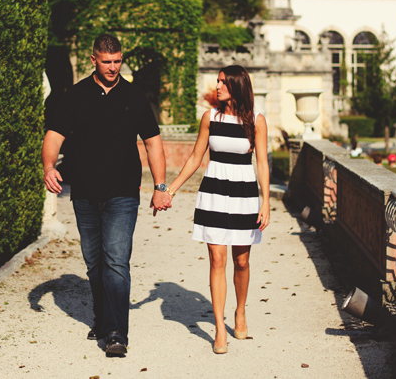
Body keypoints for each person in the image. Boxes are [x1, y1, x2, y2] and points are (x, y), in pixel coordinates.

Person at [42, 33, 171, 357]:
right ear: (94, 60)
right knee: (94, 263)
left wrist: (160, 186)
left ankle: (115, 332)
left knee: (116, 261)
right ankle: (102, 319)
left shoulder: (134, 97)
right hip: (84, 193)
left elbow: (153, 141)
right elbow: (54, 135)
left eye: (117, 61)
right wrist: (48, 167)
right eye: (107, 62)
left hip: (122, 194)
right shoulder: (75, 96)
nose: (113, 67)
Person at [167, 65, 270, 354]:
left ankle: (239, 312)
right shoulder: (209, 118)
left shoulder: (256, 121)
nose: (218, 86)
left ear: (237, 86)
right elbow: (194, 158)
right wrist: (170, 190)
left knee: (241, 262)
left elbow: (262, 163)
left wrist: (267, 202)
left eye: (223, 82)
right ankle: (219, 328)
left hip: (244, 195)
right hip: (213, 193)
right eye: (218, 81)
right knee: (216, 259)